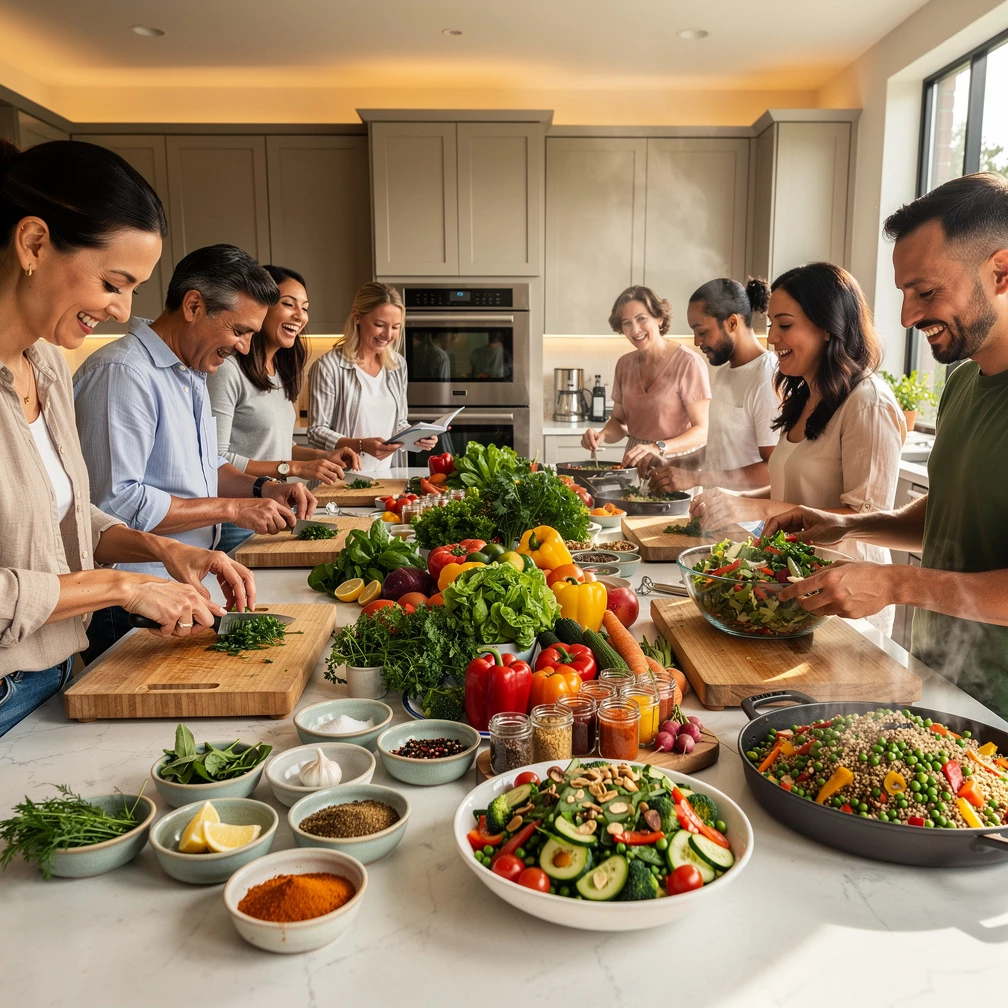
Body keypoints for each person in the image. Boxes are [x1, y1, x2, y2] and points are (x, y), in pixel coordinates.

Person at [0, 139, 254, 737]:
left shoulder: (46, 365)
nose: (122, 310)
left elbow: (68, 519)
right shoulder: (106, 366)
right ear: (34, 244)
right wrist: (121, 585)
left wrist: (165, 551)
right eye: (115, 282)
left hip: (57, 676)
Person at [765, 174, 1008, 715]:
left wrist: (896, 581)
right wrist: (851, 525)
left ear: (1001, 270)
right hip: (931, 676)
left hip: (1000, 707)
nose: (907, 316)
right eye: (904, 293)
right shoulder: (964, 382)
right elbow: (953, 512)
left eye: (926, 291)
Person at [73, 244, 313, 663]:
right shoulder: (123, 373)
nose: (243, 347)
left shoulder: (193, 371)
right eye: (239, 330)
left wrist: (262, 488)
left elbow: (206, 469)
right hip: (134, 603)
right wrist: (232, 510)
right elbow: (116, 505)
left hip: (182, 593)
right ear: (193, 305)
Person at [690, 262, 905, 634]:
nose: (773, 338)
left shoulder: (868, 403)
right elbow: (794, 488)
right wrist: (734, 496)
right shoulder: (803, 395)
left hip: (848, 602)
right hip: (798, 593)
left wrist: (754, 506)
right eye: (772, 324)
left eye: (785, 325)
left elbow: (864, 518)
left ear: (827, 326)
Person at [207, 264, 361, 553]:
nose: (300, 316)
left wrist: (324, 456)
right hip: (237, 519)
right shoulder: (227, 370)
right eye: (288, 304)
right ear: (261, 306)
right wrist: (296, 468)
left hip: (274, 511)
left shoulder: (278, 371)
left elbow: (275, 444)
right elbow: (216, 458)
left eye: (304, 308)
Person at [649, 277, 778, 493]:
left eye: (702, 331)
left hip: (749, 523)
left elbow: (772, 470)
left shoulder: (766, 376)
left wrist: (696, 479)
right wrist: (676, 464)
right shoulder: (725, 373)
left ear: (732, 323)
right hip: (714, 514)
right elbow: (722, 446)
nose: (697, 341)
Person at [307, 281, 438, 474]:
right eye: (379, 325)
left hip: (387, 477)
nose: (388, 334)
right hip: (340, 479)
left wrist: (417, 437)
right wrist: (361, 445)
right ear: (357, 317)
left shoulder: (397, 365)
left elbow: (399, 423)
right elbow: (316, 432)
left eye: (395, 327)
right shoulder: (329, 367)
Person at [581, 285, 710, 468]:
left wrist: (658, 447)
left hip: (676, 462)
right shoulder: (624, 365)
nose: (635, 330)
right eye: (627, 323)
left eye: (641, 319)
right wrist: (601, 435)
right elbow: (619, 422)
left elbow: (702, 431)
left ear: (659, 318)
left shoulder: (688, 363)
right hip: (634, 462)